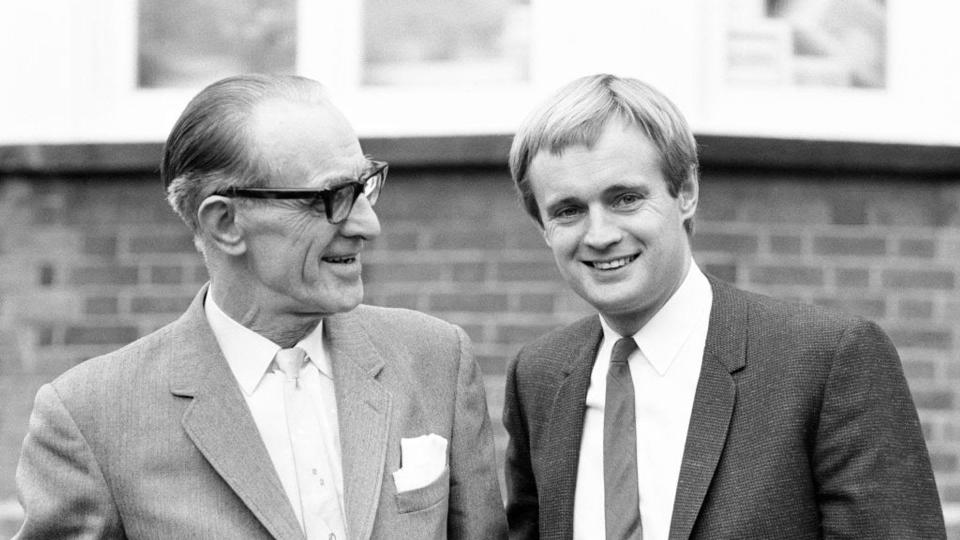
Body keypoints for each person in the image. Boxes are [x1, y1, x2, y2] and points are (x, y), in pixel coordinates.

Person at [15, 74, 506, 540]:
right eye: (332, 197)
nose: (366, 224)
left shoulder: (436, 359)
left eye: (364, 186)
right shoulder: (91, 417)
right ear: (225, 223)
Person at [502, 73, 945, 539]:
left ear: (686, 193)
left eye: (626, 199)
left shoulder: (826, 360)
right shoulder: (539, 376)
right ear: (542, 226)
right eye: (568, 210)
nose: (599, 234)